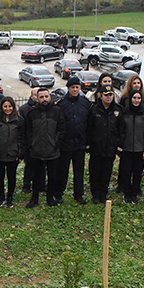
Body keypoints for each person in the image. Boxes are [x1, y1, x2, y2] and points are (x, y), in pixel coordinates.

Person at [24, 87, 66, 208]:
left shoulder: (57, 111)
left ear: (50, 97)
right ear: (37, 98)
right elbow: (28, 131)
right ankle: (34, 199)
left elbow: (61, 129)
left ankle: (50, 198)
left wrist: (56, 143)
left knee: (52, 176)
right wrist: (31, 144)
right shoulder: (31, 113)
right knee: (36, 176)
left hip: (53, 151)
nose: (44, 99)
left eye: (46, 96)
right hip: (36, 151)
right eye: (41, 97)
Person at [87, 85, 124, 204]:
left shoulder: (118, 110)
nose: (109, 97)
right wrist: (88, 144)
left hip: (110, 147)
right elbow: (89, 127)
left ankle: (103, 194)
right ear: (100, 96)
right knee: (95, 171)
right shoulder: (94, 109)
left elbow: (121, 129)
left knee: (106, 171)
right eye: (106, 95)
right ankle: (95, 194)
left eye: (111, 95)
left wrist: (119, 145)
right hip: (96, 147)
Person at [56, 76, 90, 205]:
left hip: (80, 143)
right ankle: (58, 193)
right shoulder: (61, 104)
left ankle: (78, 194)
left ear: (80, 88)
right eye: (72, 88)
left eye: (77, 87)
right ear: (68, 88)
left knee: (79, 170)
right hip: (66, 143)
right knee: (62, 170)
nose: (75, 90)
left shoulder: (85, 103)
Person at [118, 90, 144, 204]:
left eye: (138, 98)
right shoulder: (125, 111)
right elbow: (121, 129)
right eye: (134, 98)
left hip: (140, 149)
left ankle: (134, 193)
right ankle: (126, 194)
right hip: (127, 148)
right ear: (130, 99)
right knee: (126, 173)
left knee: (137, 173)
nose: (136, 100)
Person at [0, 97, 24, 207]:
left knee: (11, 177)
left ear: (13, 107)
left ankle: (10, 198)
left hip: (13, 154)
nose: (8, 108)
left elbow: (22, 138)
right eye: (5, 106)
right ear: (1, 107)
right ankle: (1, 197)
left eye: (10, 106)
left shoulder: (19, 120)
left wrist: (20, 153)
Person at [20, 88, 42, 194]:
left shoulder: (45, 108)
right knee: (29, 165)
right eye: (35, 95)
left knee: (42, 166)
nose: (37, 97)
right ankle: (26, 185)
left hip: (42, 143)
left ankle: (41, 184)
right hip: (29, 143)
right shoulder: (24, 109)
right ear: (31, 95)